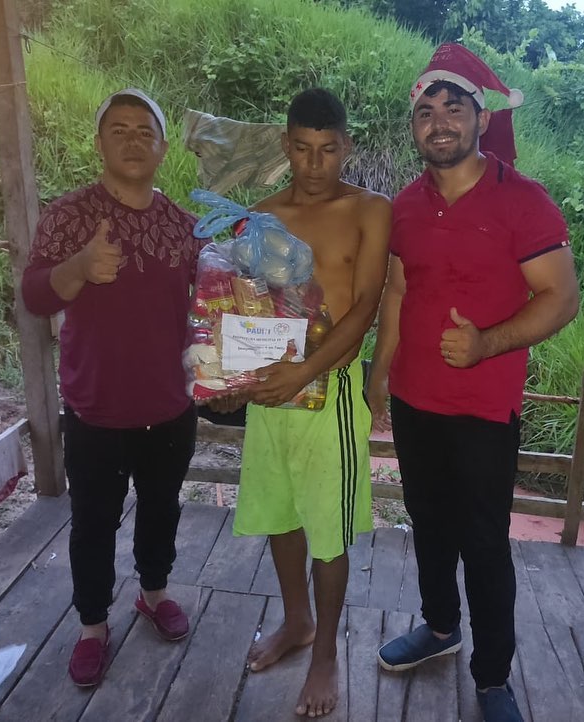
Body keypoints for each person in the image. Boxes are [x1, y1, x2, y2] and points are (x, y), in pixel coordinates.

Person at [366, 44, 579, 722]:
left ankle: (491, 677)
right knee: (428, 523)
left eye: (453, 108)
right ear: (414, 127)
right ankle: (439, 626)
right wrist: (379, 372)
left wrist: (487, 342)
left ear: (480, 118)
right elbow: (397, 291)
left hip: (484, 408)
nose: (439, 122)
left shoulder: (523, 201)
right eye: (425, 111)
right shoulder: (404, 205)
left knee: (484, 543)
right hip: (414, 399)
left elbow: (561, 298)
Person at [22, 88, 200, 688]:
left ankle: (154, 593)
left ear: (163, 148)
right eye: (118, 130)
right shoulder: (70, 216)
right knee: (93, 522)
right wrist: (77, 268)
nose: (132, 140)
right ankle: (92, 625)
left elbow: (212, 303)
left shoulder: (184, 226)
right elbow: (34, 295)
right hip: (95, 407)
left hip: (169, 405)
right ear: (99, 144)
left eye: (145, 131)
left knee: (162, 508)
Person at [229, 88, 391, 718]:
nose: (315, 164)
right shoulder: (261, 215)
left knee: (328, 526)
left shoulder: (370, 210)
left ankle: (325, 654)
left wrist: (306, 372)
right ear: (286, 145)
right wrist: (231, 379)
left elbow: (365, 307)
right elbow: (242, 307)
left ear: (345, 146)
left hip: (331, 391)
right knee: (280, 511)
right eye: (302, 149)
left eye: (327, 149)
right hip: (273, 389)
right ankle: (296, 622)